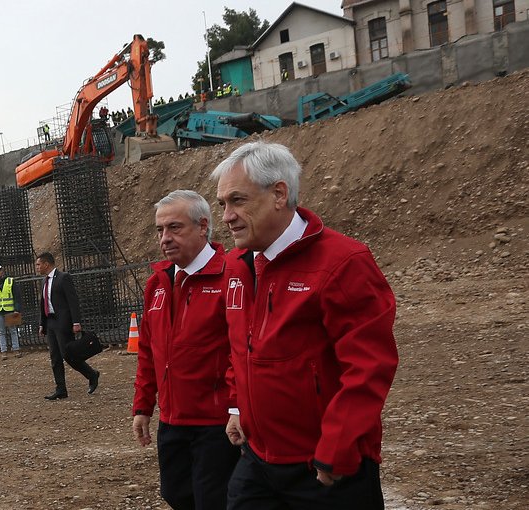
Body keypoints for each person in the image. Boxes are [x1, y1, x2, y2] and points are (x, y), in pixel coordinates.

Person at [211, 141, 398, 509]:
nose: (227, 216)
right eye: (222, 205)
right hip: (258, 460)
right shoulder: (237, 266)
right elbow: (241, 348)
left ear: (279, 194)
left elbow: (369, 365)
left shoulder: (342, 262)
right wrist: (237, 408)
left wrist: (337, 447)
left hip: (324, 470)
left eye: (238, 201)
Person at [132, 190, 239, 510]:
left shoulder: (229, 277)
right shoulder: (158, 283)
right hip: (173, 420)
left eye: (174, 228)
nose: (165, 238)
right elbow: (148, 351)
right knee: (176, 494)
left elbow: (240, 351)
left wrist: (236, 408)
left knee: (213, 500)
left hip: (215, 423)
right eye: (160, 230)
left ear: (203, 226)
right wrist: (143, 405)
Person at [36, 252, 99, 400]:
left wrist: (76, 322)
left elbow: (73, 301)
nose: (37, 267)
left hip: (62, 322)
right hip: (50, 322)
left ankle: (92, 374)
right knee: (55, 357)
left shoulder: (64, 278)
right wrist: (42, 323)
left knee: (69, 355)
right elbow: (43, 303)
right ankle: (61, 389)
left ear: (46, 264)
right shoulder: (45, 281)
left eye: (39, 264)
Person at [0, 261, 21, 360]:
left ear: (2, 270)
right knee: (1, 332)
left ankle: (16, 349)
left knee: (13, 330)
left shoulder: (10, 281)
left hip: (9, 310)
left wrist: (17, 309)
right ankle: (4, 351)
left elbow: (17, 296)